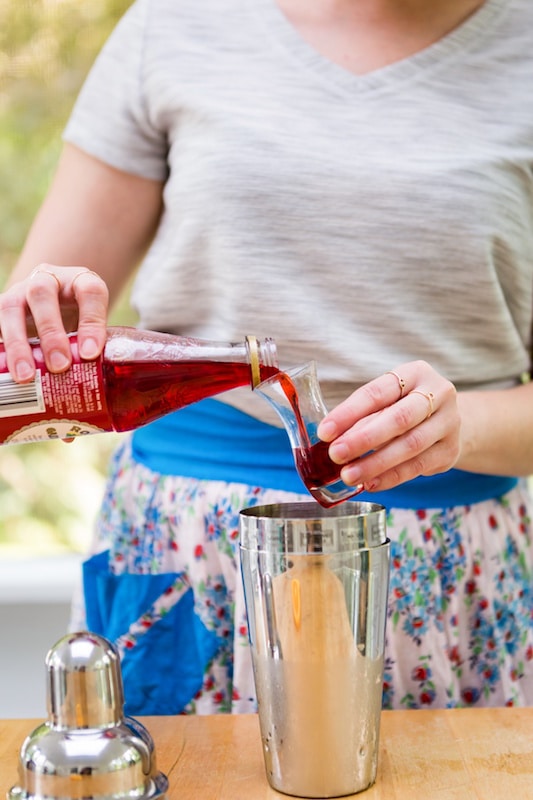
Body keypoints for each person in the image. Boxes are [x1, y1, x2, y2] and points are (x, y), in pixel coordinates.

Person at [1, 0, 532, 714]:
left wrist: (459, 426)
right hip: (185, 556)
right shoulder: (176, 25)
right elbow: (31, 344)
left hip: (441, 574)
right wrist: (47, 323)